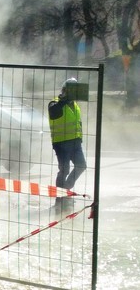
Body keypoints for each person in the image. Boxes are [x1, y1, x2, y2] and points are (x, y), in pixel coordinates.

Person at [48, 78, 86, 210]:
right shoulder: (54, 103)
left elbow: (78, 123)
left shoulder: (75, 105)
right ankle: (60, 199)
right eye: (70, 90)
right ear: (64, 90)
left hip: (75, 142)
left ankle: (65, 191)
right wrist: (63, 100)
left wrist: (80, 138)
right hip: (61, 143)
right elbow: (53, 113)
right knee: (64, 170)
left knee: (81, 166)